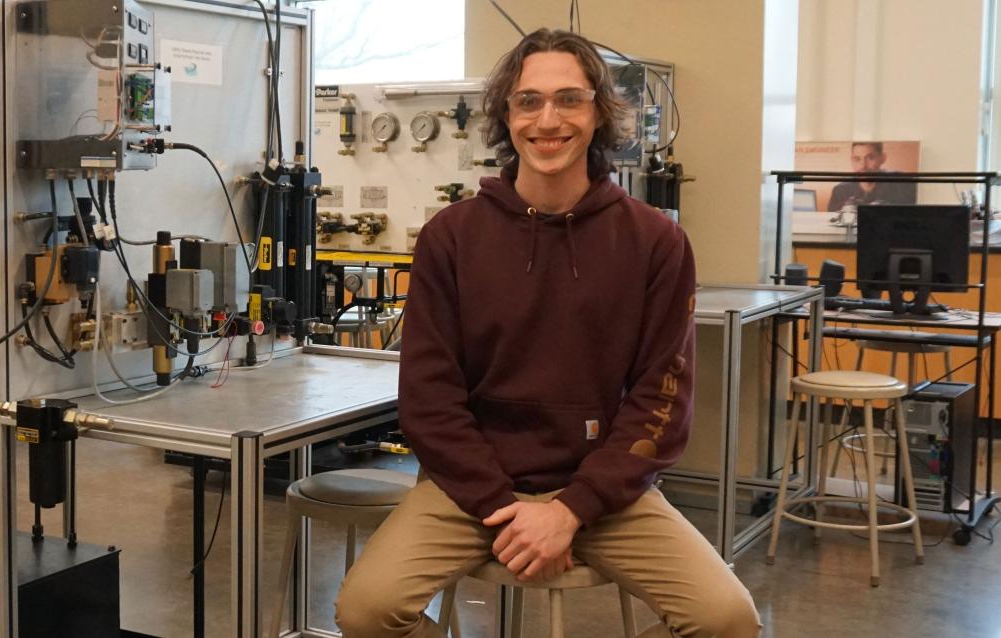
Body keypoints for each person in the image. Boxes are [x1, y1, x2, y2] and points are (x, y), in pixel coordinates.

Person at [334, 29, 761, 638]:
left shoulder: (655, 243)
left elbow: (661, 404)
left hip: (605, 491)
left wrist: (571, 510)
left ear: (599, 113)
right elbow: (429, 398)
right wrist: (501, 508)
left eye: (569, 99)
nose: (548, 120)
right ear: (506, 116)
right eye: (528, 101)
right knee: (367, 611)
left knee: (728, 620)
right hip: (470, 488)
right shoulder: (450, 239)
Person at [826, 142, 916, 212]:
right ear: (851, 160)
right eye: (857, 159)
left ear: (883, 158)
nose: (863, 166)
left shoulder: (904, 185)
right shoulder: (840, 191)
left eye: (870, 158)